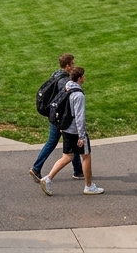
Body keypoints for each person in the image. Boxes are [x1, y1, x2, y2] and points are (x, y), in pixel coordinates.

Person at [40, 66, 104, 196]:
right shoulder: (78, 95)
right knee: (86, 156)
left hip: (65, 128)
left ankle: (48, 178)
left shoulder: (67, 87)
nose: (84, 78)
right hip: (75, 130)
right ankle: (89, 186)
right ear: (80, 78)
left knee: (67, 157)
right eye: (83, 76)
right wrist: (81, 136)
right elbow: (80, 117)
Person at [30, 54, 83, 183]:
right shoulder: (64, 81)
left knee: (69, 142)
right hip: (60, 119)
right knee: (59, 142)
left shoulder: (56, 75)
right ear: (68, 65)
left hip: (54, 116)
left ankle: (78, 170)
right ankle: (36, 168)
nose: (74, 65)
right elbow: (62, 103)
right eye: (73, 63)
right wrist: (62, 124)